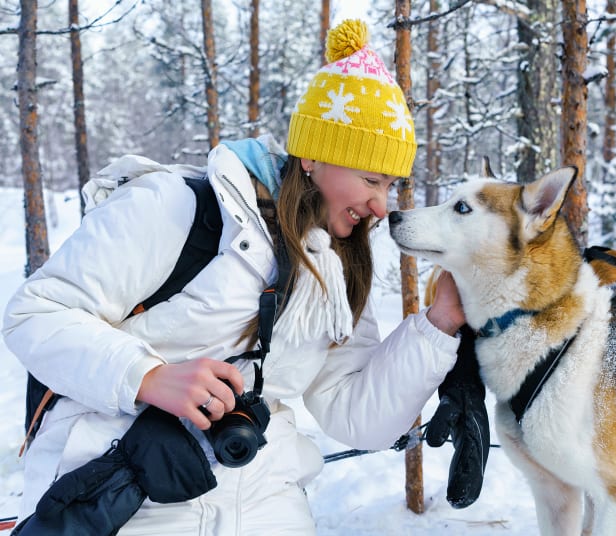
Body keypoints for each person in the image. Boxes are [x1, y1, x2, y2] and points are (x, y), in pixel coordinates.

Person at [2, 19, 466, 534]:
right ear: (312, 155)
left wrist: (439, 323)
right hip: (123, 491)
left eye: (391, 185)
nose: (382, 206)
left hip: (263, 498)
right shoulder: (178, 208)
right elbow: (34, 314)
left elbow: (356, 415)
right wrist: (147, 377)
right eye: (372, 180)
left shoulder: (335, 267)